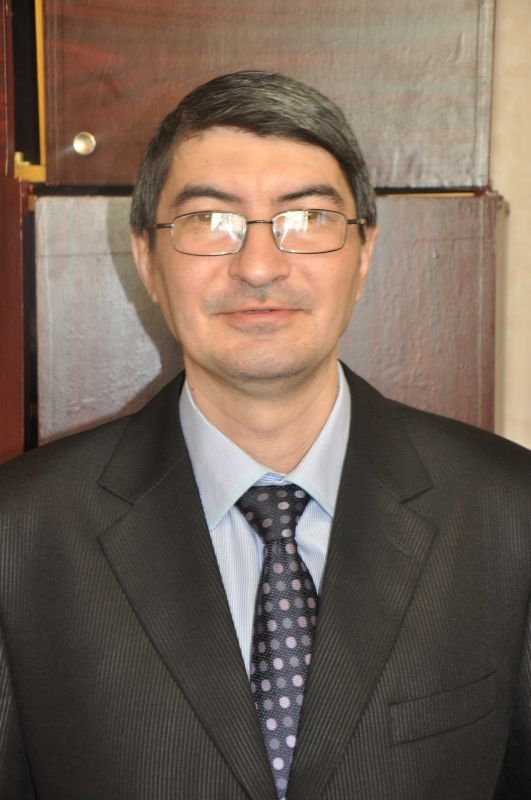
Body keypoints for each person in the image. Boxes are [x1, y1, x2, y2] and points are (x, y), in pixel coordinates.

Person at [0, 70, 529, 800]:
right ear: (147, 260)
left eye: (306, 217)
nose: (257, 267)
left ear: (363, 253)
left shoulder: (509, 513)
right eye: (209, 219)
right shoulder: (20, 534)